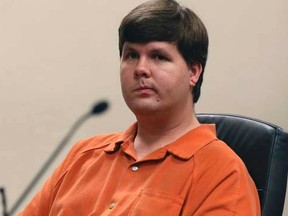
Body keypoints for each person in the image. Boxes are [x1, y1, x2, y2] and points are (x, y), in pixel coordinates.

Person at [19, 0, 261, 215]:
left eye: (158, 57)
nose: (140, 69)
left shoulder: (223, 174)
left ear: (193, 72)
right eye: (131, 55)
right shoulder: (83, 156)